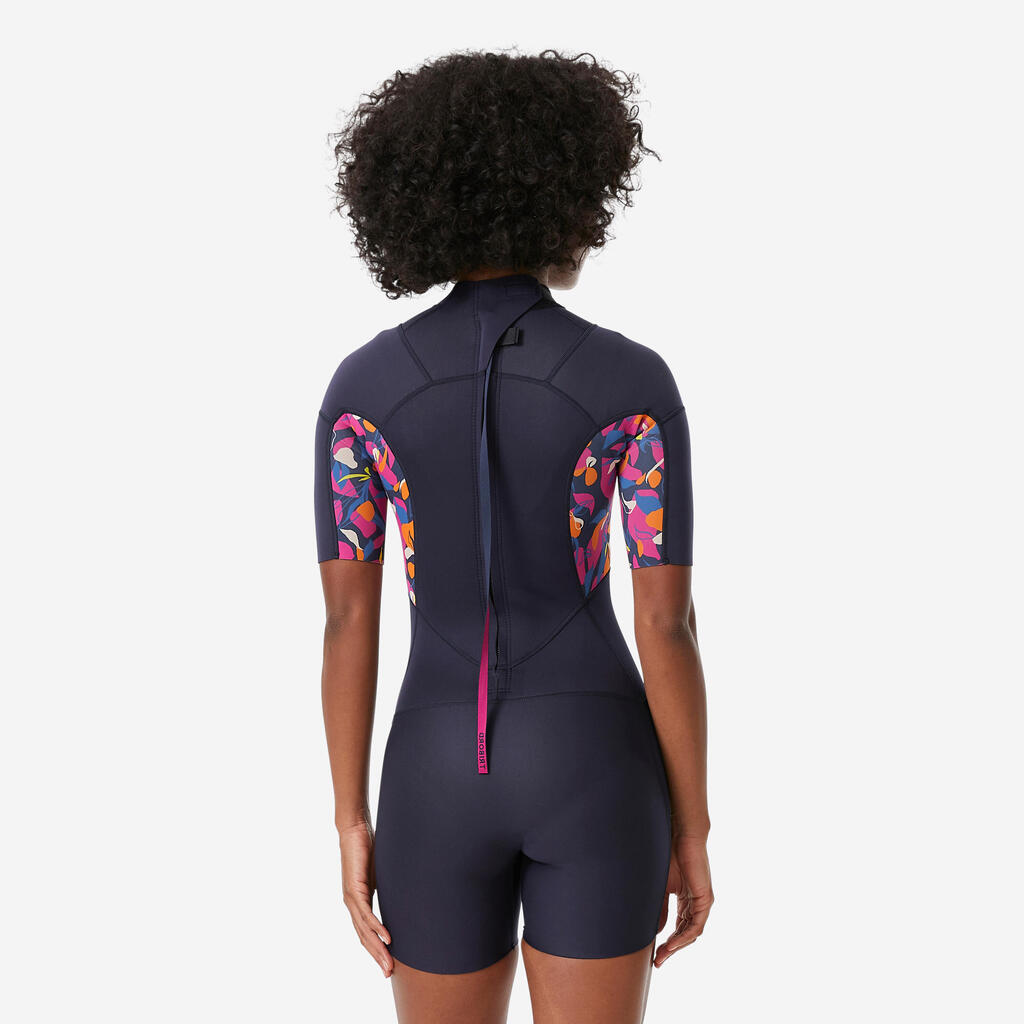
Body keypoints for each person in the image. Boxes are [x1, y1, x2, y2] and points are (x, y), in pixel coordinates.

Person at [314, 49, 712, 1024]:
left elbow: (347, 621)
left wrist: (351, 818)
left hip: (431, 770)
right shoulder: (632, 382)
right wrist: (693, 827)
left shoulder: (361, 391)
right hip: (597, 764)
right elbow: (665, 625)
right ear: (569, 192)